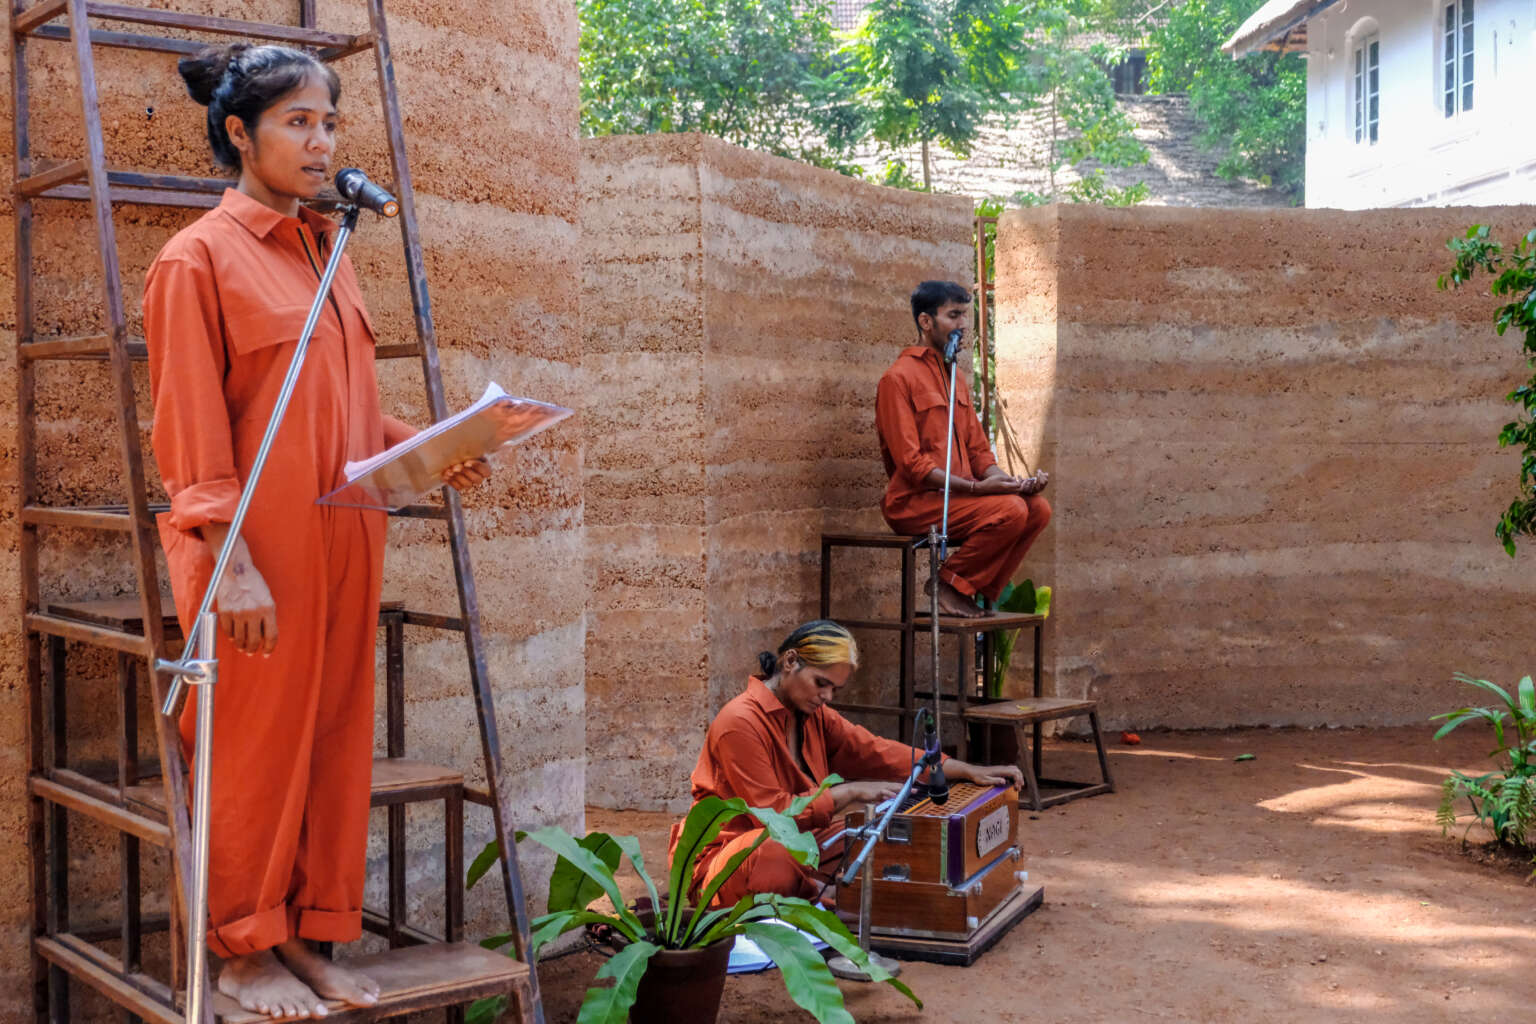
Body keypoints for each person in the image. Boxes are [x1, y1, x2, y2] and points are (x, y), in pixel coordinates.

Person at [145, 43, 494, 1019]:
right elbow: (189, 434)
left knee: (333, 746)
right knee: (252, 754)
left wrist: (428, 447)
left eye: (329, 122)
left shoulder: (328, 253)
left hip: (342, 540)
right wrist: (232, 563)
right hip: (250, 557)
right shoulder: (197, 260)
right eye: (298, 121)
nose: (320, 140)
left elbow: (345, 420)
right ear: (238, 133)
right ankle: (243, 953)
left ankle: (309, 935)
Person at [673, 620, 1024, 908]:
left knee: (878, 836)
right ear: (790, 661)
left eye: (834, 690)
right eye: (821, 683)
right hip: (732, 859)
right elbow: (775, 817)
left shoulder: (814, 715)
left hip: (803, 844)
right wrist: (849, 792)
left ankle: (822, 894)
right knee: (774, 855)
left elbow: (877, 751)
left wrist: (961, 769)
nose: (826, 697)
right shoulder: (739, 722)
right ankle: (826, 899)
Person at [876, 280, 1051, 617]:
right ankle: (948, 584)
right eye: (953, 315)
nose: (962, 325)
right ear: (926, 322)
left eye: (964, 317)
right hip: (916, 503)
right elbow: (912, 464)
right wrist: (976, 487)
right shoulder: (897, 379)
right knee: (1011, 511)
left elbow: (979, 454)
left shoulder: (955, 378)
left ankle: (973, 591)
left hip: (961, 500)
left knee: (1036, 508)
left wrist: (1011, 482)